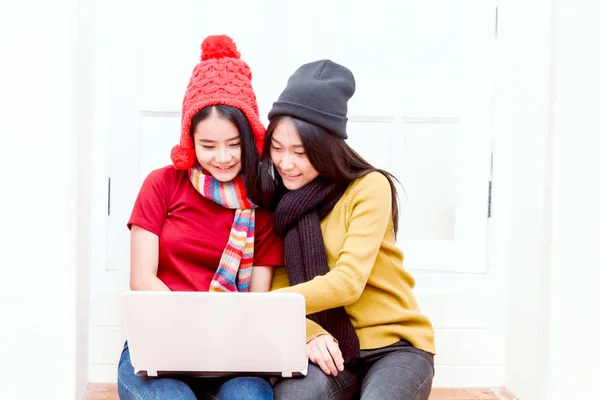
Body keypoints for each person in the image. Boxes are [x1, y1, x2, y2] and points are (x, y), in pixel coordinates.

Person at [117, 35, 282, 400]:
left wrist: (218, 336)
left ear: (251, 138)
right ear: (190, 140)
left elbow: (256, 302)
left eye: (234, 144)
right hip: (158, 340)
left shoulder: (261, 207)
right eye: (208, 146)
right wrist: (192, 326)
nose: (222, 157)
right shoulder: (162, 184)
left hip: (232, 352)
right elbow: (141, 278)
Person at [261, 60, 436, 400]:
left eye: (300, 152)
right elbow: (282, 279)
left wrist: (266, 307)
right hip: (328, 349)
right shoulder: (281, 203)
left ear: (326, 148)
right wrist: (307, 331)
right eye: (277, 149)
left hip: (393, 347)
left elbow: (348, 282)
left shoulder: (369, 187)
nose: (285, 163)